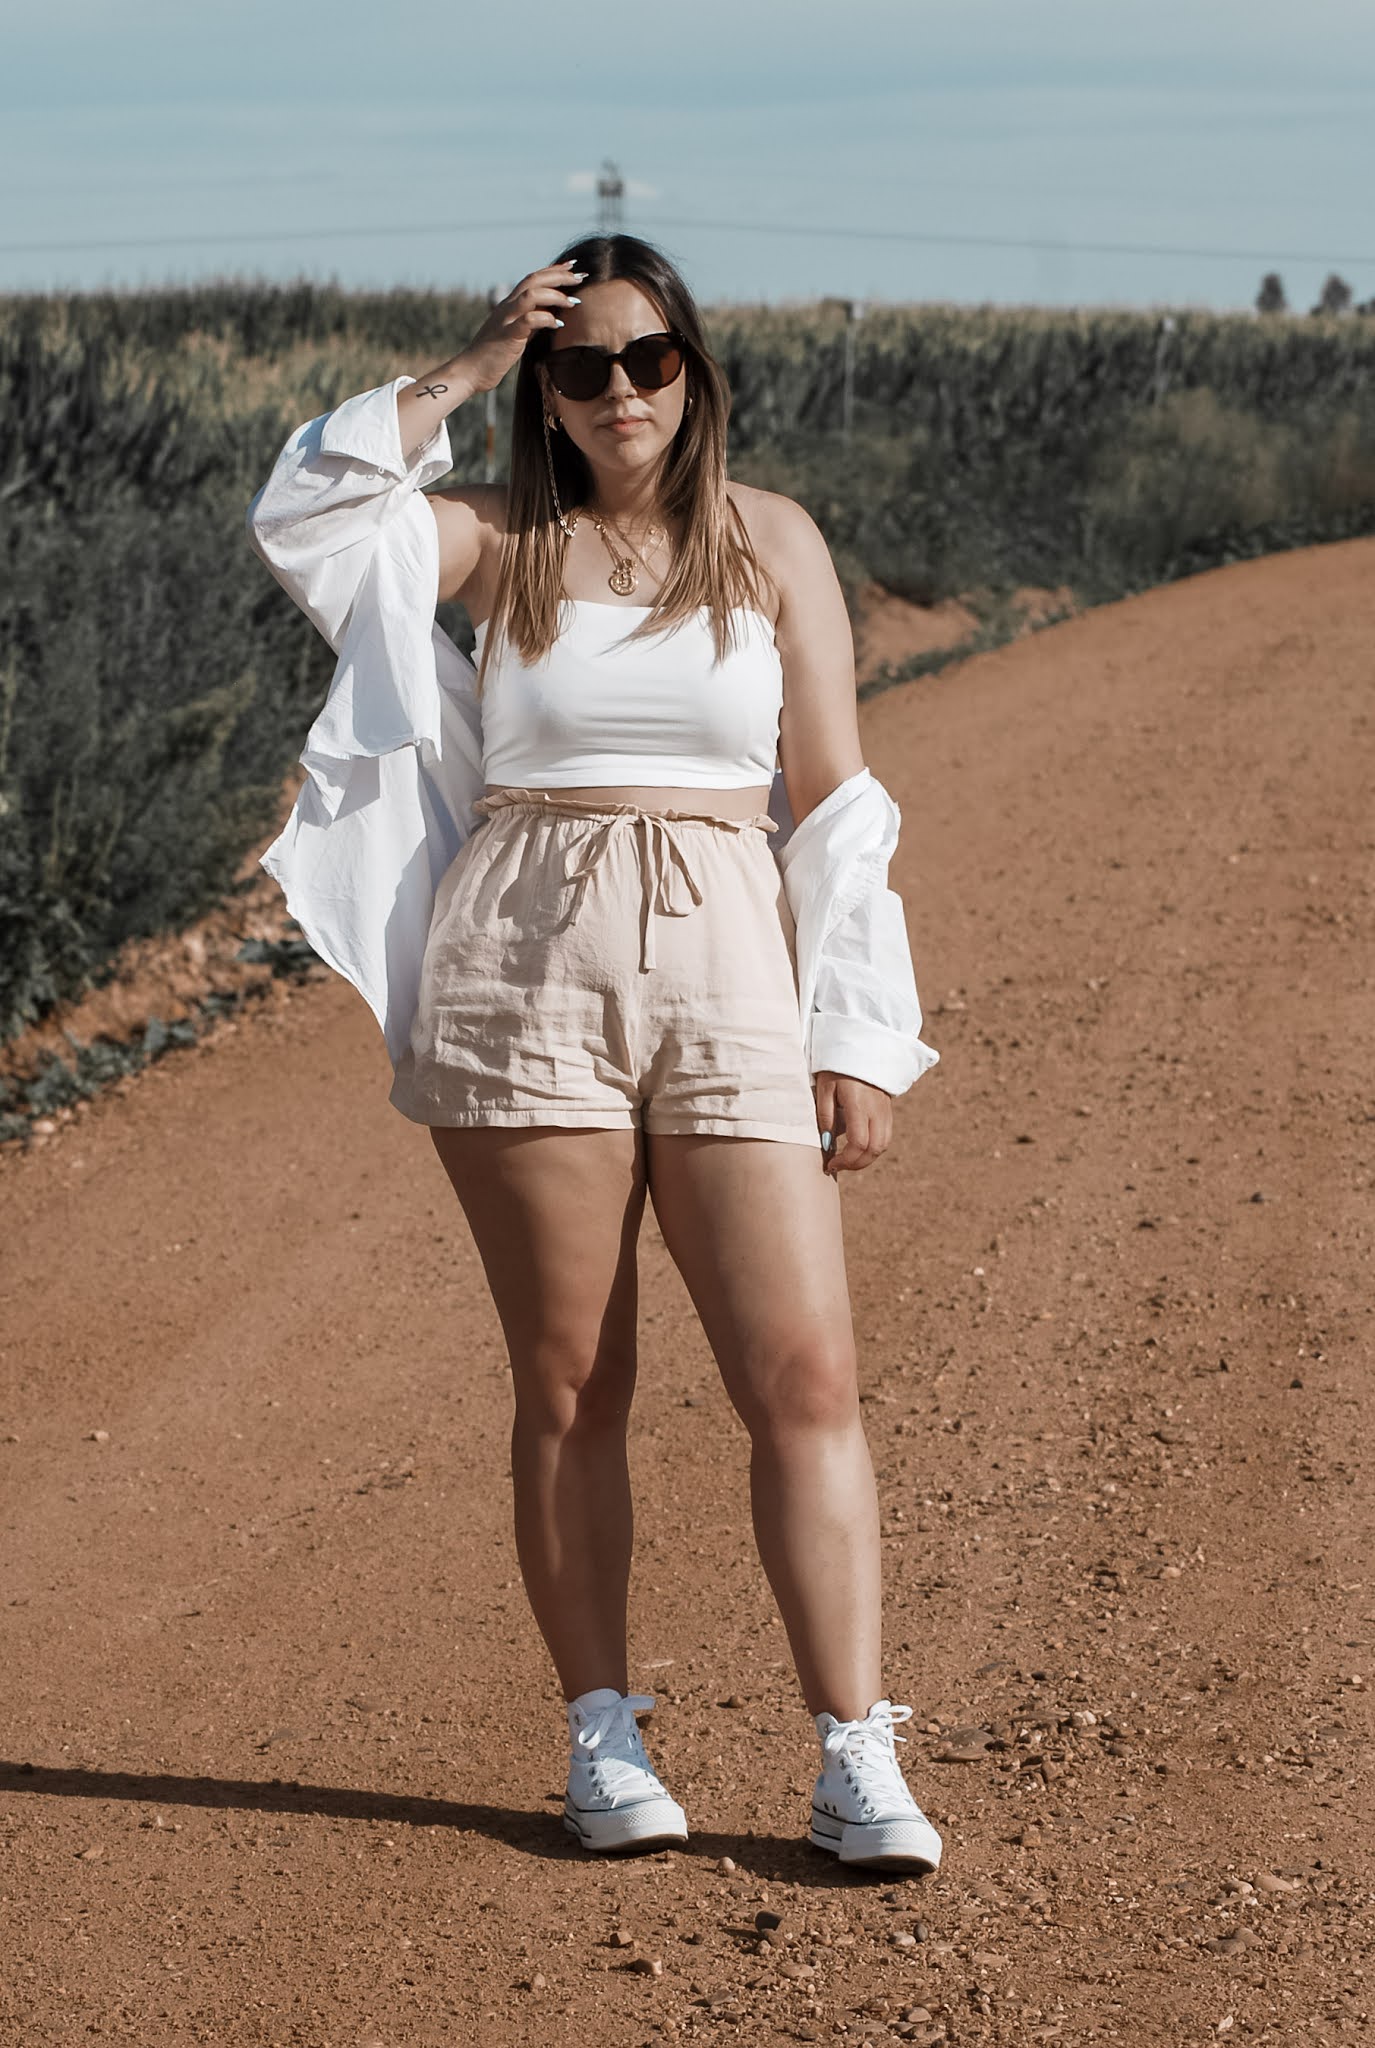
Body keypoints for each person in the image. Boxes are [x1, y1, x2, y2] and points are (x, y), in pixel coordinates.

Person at [246, 234, 943, 1874]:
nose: (618, 391)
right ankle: (602, 1736)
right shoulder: (494, 545)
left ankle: (855, 1754)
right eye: (582, 366)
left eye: (649, 360)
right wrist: (470, 366)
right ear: (547, 393)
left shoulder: (770, 543)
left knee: (807, 1377)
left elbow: (834, 797)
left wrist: (854, 1030)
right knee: (574, 1379)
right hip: (524, 959)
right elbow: (309, 521)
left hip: (727, 956)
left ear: (693, 372)